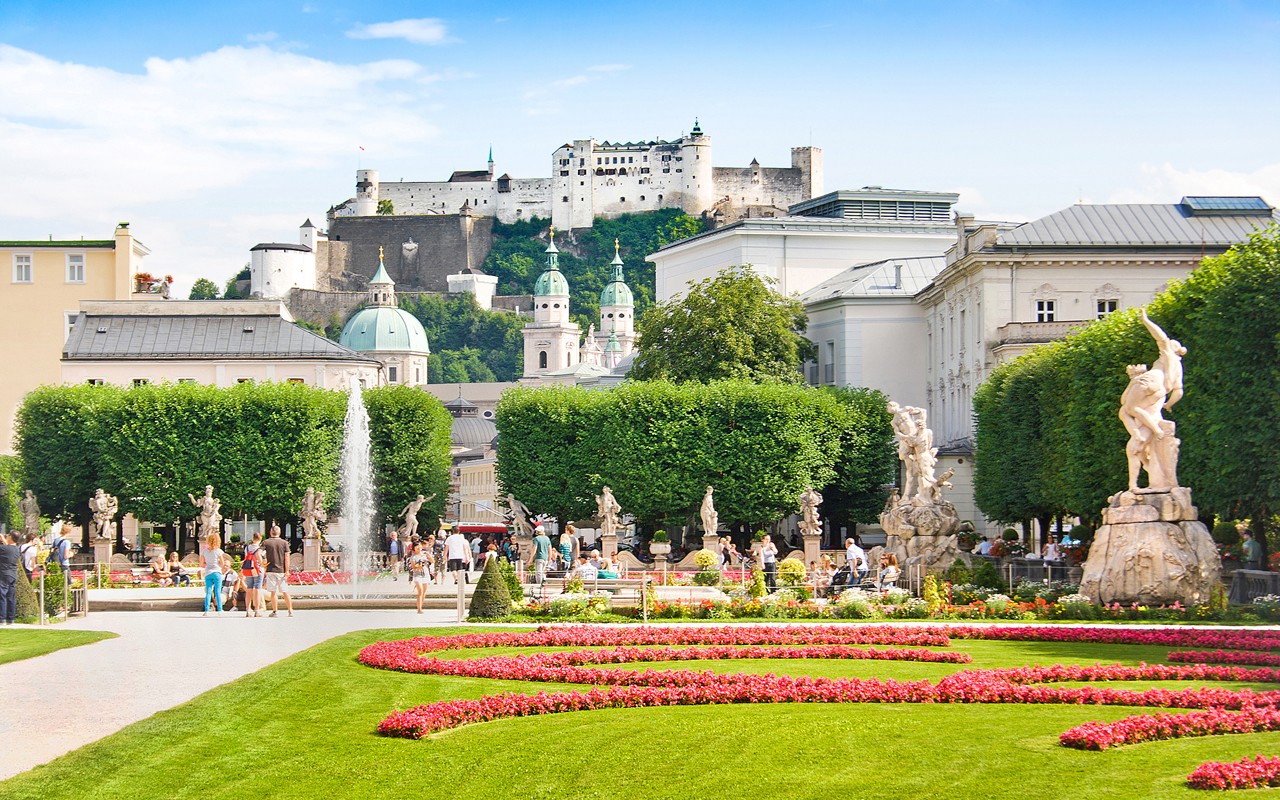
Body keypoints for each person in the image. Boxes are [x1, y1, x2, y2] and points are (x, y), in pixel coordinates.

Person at [262, 524, 292, 617]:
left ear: (270, 532)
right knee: (285, 591)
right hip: (281, 570)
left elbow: (260, 553)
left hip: (270, 569)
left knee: (273, 592)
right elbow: (287, 557)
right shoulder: (284, 543)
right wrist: (287, 570)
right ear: (279, 533)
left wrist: (263, 563)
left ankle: (275, 611)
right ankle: (290, 610)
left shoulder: (266, 542)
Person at [199, 532, 225, 616]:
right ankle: (220, 610)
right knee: (217, 592)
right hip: (217, 572)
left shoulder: (204, 551)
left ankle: (206, 610)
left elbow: (201, 564)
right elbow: (222, 563)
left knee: (208, 592)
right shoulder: (218, 551)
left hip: (208, 572)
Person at [241, 531, 265, 617]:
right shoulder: (259, 549)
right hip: (257, 570)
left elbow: (245, 558)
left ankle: (248, 609)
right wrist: (263, 565)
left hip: (248, 570)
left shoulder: (247, 548)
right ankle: (257, 610)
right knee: (257, 590)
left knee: (249, 589)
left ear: (253, 538)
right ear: (260, 539)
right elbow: (260, 560)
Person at [0, 532, 19, 625]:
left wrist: (2, 539)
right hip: (13, 574)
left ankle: (2, 618)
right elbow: (8, 548)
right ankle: (10, 619)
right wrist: (3, 539)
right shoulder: (16, 549)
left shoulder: (4, 548)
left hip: (3, 574)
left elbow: (5, 548)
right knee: (11, 597)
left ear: (10, 537)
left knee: (2, 596)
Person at [408, 542, 431, 613]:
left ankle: (421, 606)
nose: (419, 547)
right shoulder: (413, 557)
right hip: (417, 575)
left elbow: (432, 561)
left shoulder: (424, 555)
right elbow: (414, 568)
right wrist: (420, 565)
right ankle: (419, 609)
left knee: (424, 592)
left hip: (425, 574)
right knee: (420, 591)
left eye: (419, 546)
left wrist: (429, 557)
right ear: (414, 548)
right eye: (417, 546)